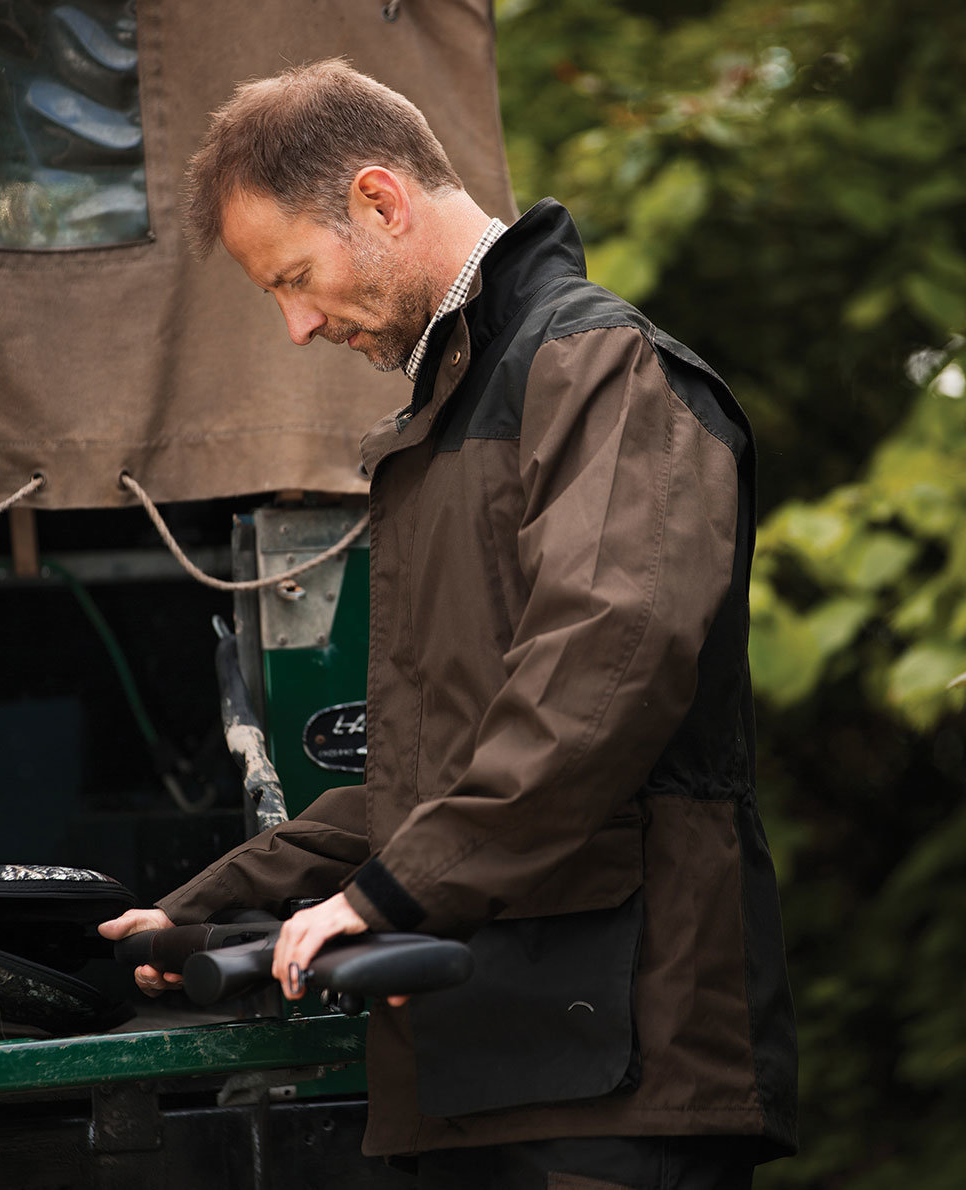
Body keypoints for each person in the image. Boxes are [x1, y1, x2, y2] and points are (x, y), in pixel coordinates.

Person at [100, 59, 797, 1189]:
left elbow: (599, 684)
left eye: (296, 278)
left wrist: (383, 896)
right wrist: (198, 911)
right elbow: (429, 780)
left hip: (618, 1078)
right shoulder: (445, 419)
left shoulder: (599, 366)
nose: (295, 326)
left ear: (379, 201)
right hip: (477, 1071)